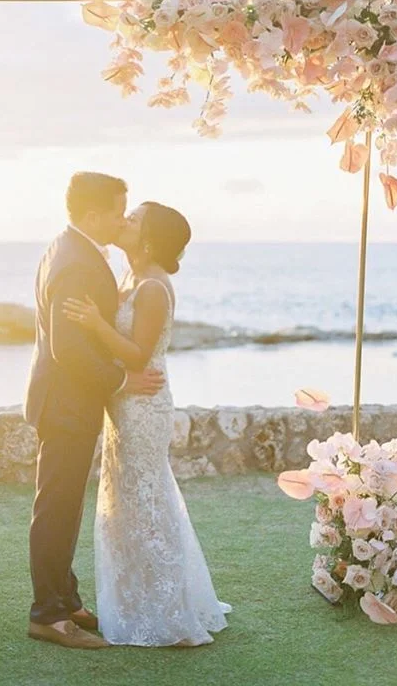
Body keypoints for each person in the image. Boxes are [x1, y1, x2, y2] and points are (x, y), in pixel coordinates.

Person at [63, 201, 230, 647]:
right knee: (129, 502)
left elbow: (138, 354)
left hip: (143, 407)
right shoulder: (130, 278)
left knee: (146, 504)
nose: (124, 220)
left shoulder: (154, 287)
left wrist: (97, 324)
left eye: (133, 219)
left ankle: (167, 614)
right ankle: (140, 601)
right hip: (124, 404)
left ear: (150, 238)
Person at [24, 173, 165, 650]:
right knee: (56, 510)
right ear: (91, 215)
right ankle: (47, 614)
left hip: (69, 403)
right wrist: (124, 380)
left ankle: (67, 599)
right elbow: (69, 350)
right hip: (65, 404)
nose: (123, 218)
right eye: (117, 210)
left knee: (65, 506)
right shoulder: (76, 263)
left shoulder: (71, 249)